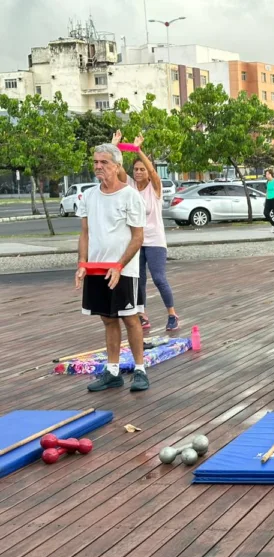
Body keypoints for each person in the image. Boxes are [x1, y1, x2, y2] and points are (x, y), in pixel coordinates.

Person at [75, 143, 149, 392]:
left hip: (124, 270)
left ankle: (140, 370)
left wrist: (119, 265)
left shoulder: (130, 196)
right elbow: (84, 234)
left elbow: (138, 237)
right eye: (95, 162)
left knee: (130, 318)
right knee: (107, 319)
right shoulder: (89, 195)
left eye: (104, 162)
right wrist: (82, 264)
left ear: (117, 166)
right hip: (97, 268)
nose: (98, 166)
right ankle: (113, 371)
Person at [112, 131, 180, 332]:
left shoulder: (155, 188)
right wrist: (114, 145)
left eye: (142, 169)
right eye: (136, 169)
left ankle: (172, 314)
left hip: (155, 240)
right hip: (136, 240)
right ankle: (142, 314)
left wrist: (137, 149)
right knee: (138, 278)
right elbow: (116, 168)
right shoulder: (130, 187)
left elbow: (153, 171)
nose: (139, 172)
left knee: (159, 278)